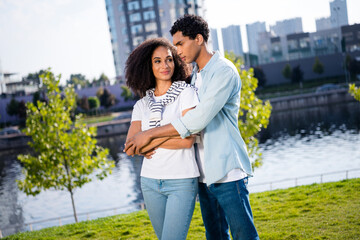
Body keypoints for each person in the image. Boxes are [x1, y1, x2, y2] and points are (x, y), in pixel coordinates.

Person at [125, 15, 260, 240]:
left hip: (227, 172)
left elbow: (196, 121)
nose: (177, 51)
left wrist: (148, 135)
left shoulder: (223, 72)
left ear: (198, 39)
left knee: (244, 235)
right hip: (203, 176)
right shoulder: (196, 75)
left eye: (180, 43)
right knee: (215, 236)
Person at [124, 38, 200, 240]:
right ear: (148, 66)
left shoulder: (186, 93)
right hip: (149, 182)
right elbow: (131, 147)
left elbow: (187, 140)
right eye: (157, 61)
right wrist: (142, 142)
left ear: (176, 62)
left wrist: (147, 138)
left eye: (169, 59)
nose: (164, 66)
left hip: (181, 181)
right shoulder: (141, 105)